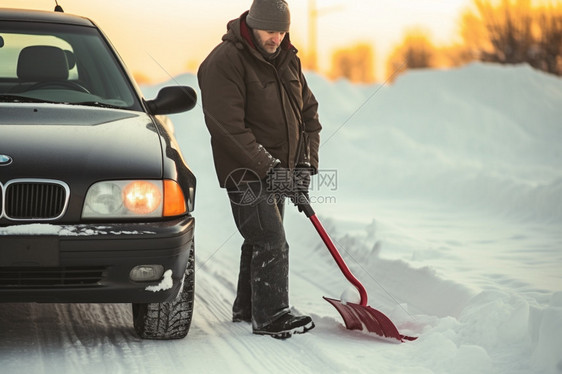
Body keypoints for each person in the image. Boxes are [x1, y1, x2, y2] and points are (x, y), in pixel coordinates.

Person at [197, 0, 322, 339]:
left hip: (280, 169)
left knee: (259, 239)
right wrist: (270, 168)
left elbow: (309, 115)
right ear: (252, 25)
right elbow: (227, 128)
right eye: (270, 31)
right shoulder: (225, 62)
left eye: (282, 31)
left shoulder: (286, 60)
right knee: (270, 239)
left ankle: (248, 308)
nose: (276, 38)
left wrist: (305, 166)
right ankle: (271, 316)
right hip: (245, 171)